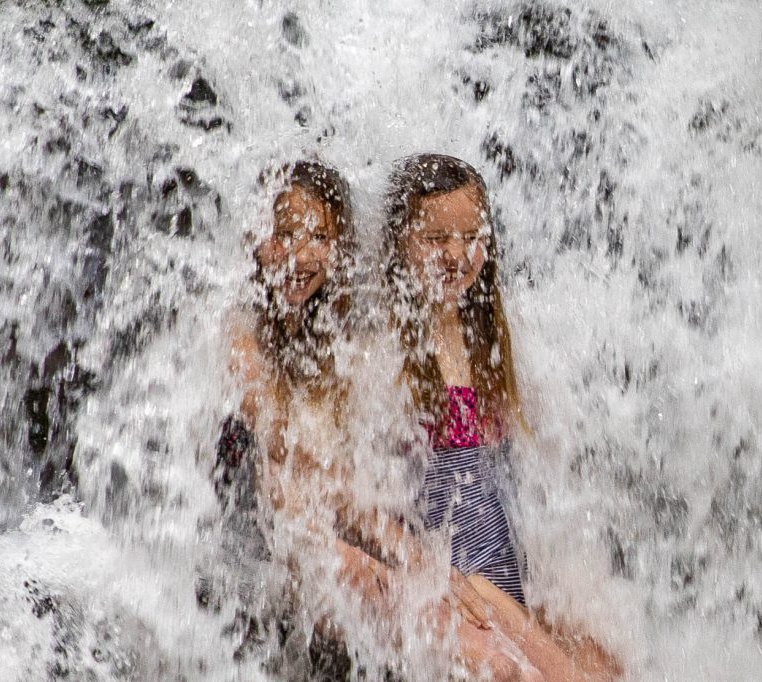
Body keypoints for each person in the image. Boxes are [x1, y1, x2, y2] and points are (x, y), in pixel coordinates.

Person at [214, 159, 542, 681]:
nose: (300, 255)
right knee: (500, 663)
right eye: (284, 235)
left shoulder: (332, 340)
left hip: (344, 539)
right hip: (278, 556)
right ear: (253, 235)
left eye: (319, 235)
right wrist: (414, 563)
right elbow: (293, 468)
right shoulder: (240, 337)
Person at [381, 153, 624, 681]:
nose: (457, 254)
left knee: (609, 667)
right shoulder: (384, 351)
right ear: (400, 243)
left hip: (509, 575)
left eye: (472, 236)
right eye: (436, 238)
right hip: (456, 578)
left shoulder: (495, 342)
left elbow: (534, 483)